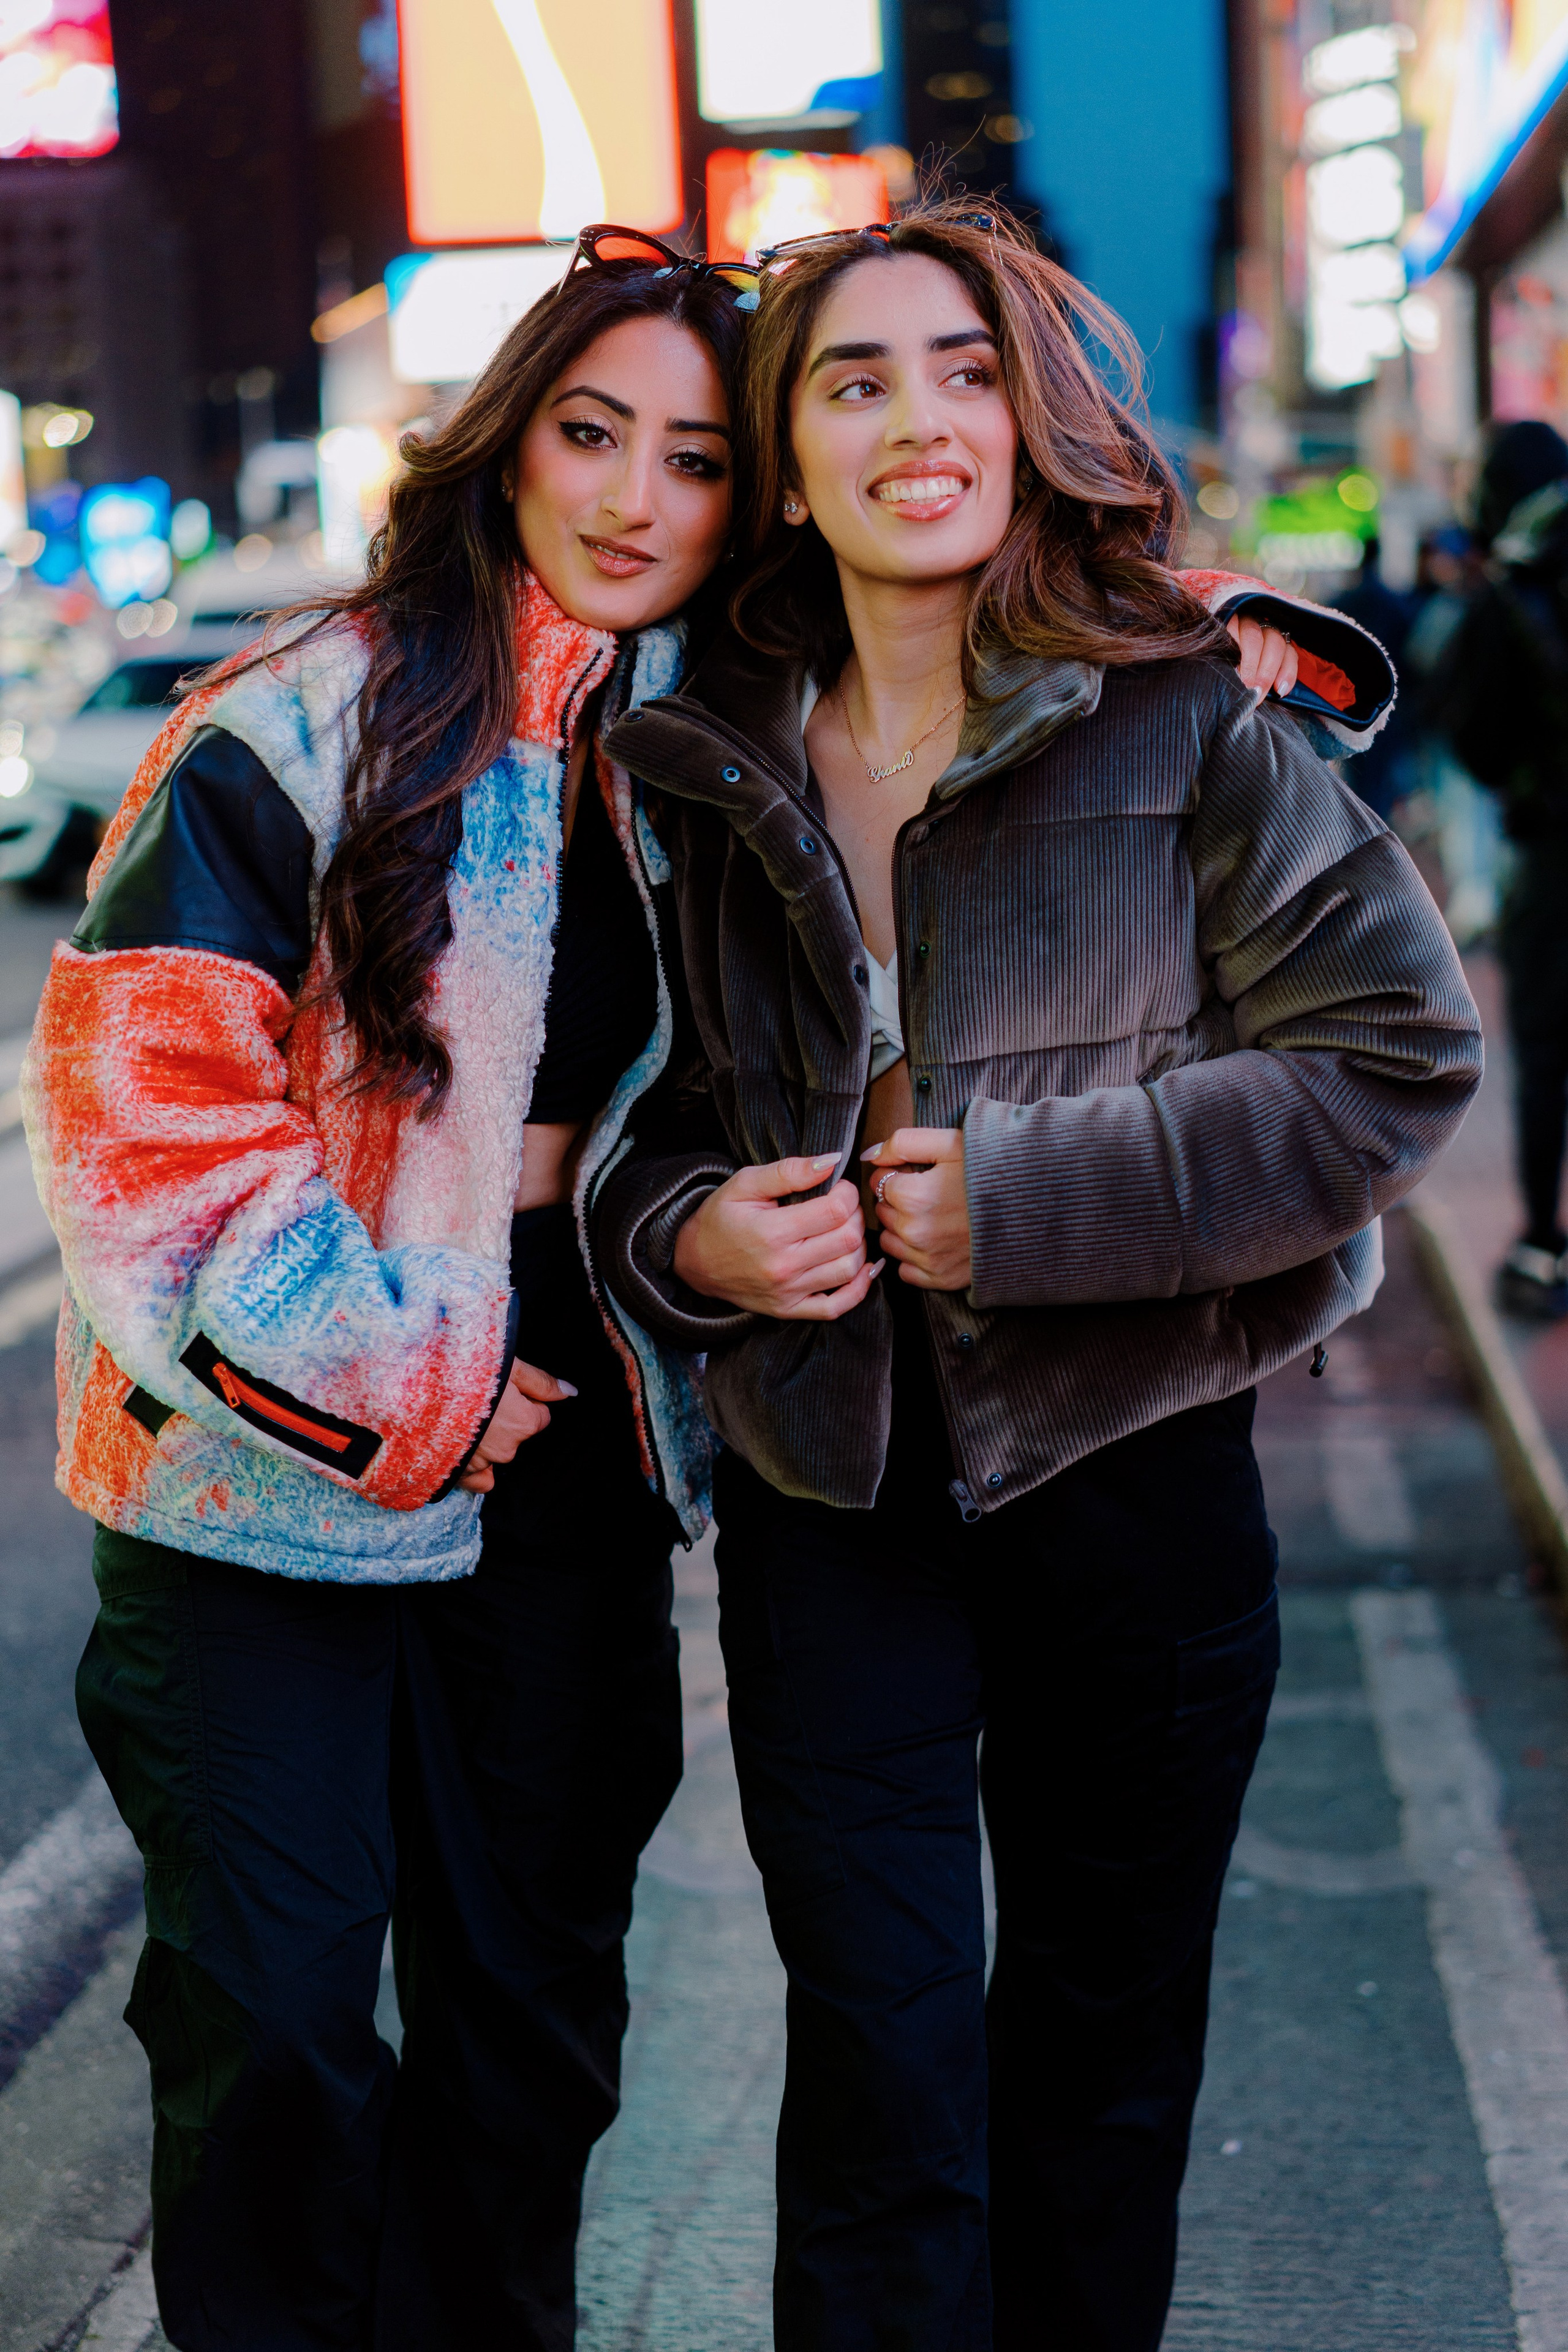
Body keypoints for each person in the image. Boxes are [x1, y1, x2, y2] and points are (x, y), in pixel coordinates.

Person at [592, 201, 1482, 2350]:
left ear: (1033, 416)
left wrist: (1033, 1200)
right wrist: (689, 1233)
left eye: (967, 370)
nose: (923, 422)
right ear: (786, 457)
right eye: (856, 378)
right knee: (886, 2078)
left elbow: (1392, 1058)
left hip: (1139, 1484)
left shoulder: (1186, 722)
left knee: (1097, 2084)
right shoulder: (686, 762)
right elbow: (631, 1117)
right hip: (834, 1513)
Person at [21, 228, 753, 2350]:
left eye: (695, 459)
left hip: (572, 1497)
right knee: (277, 2040)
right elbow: (145, 1140)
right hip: (255, 1503)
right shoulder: (295, 723)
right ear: (509, 444)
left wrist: (1237, 631)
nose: (631, 497)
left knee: (528, 2047)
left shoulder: (723, 747)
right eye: (590, 432)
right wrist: (415, 1374)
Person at [1434, 418, 1568, 1318]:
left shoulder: (1511, 592)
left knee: (1546, 1054)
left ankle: (1542, 1244)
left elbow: (1471, 735)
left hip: (1554, 855)